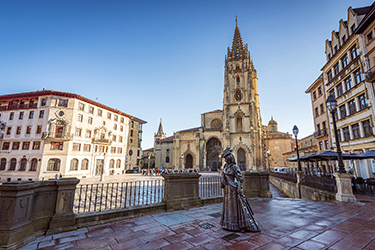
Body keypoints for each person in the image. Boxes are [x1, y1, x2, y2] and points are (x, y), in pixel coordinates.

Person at [220, 147, 261, 232]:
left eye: (228, 159)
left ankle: (239, 225)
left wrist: (238, 187)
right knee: (229, 207)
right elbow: (223, 174)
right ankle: (228, 224)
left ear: (231, 159)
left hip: (233, 189)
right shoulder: (225, 166)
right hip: (227, 189)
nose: (227, 161)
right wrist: (222, 177)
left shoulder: (235, 167)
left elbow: (240, 179)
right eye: (226, 160)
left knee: (236, 207)